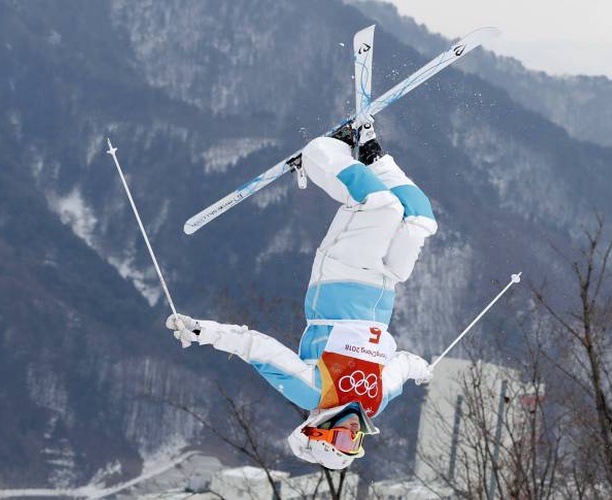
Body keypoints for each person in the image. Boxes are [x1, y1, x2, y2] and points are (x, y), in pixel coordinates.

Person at [167, 119, 437, 469]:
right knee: (419, 221)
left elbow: (258, 349)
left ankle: (320, 153)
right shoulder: (374, 402)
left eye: (342, 439)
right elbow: (402, 366)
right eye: (355, 442)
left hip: (341, 276)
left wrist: (203, 332)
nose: (353, 433)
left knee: (381, 207)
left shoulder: (313, 391)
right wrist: (422, 371)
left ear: (321, 430)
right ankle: (374, 159)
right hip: (384, 286)